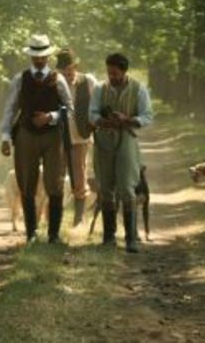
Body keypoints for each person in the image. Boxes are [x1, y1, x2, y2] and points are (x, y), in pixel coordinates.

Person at [0, 34, 73, 244]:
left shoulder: (58, 79)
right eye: (36, 57)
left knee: (55, 182)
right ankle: (31, 233)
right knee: (26, 183)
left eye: (42, 57)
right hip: (26, 134)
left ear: (48, 57)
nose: (39, 60)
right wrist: (5, 136)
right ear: (31, 57)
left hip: (52, 135)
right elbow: (11, 109)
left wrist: (51, 117)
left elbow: (69, 108)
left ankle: (54, 234)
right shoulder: (20, 79)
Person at [90, 53, 153, 253]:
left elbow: (147, 116)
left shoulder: (138, 88)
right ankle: (109, 237)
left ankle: (131, 238)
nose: (112, 76)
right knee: (106, 186)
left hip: (126, 138)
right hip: (104, 140)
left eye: (115, 73)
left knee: (127, 187)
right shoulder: (100, 88)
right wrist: (104, 121)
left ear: (124, 71)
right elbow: (91, 113)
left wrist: (127, 119)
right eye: (109, 72)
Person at [56, 49, 98, 227]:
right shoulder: (56, 83)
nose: (68, 73)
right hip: (59, 137)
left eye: (70, 69)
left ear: (75, 66)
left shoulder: (88, 81)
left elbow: (100, 102)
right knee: (56, 176)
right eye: (64, 70)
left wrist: (95, 123)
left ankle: (78, 219)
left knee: (79, 176)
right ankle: (55, 217)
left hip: (81, 136)